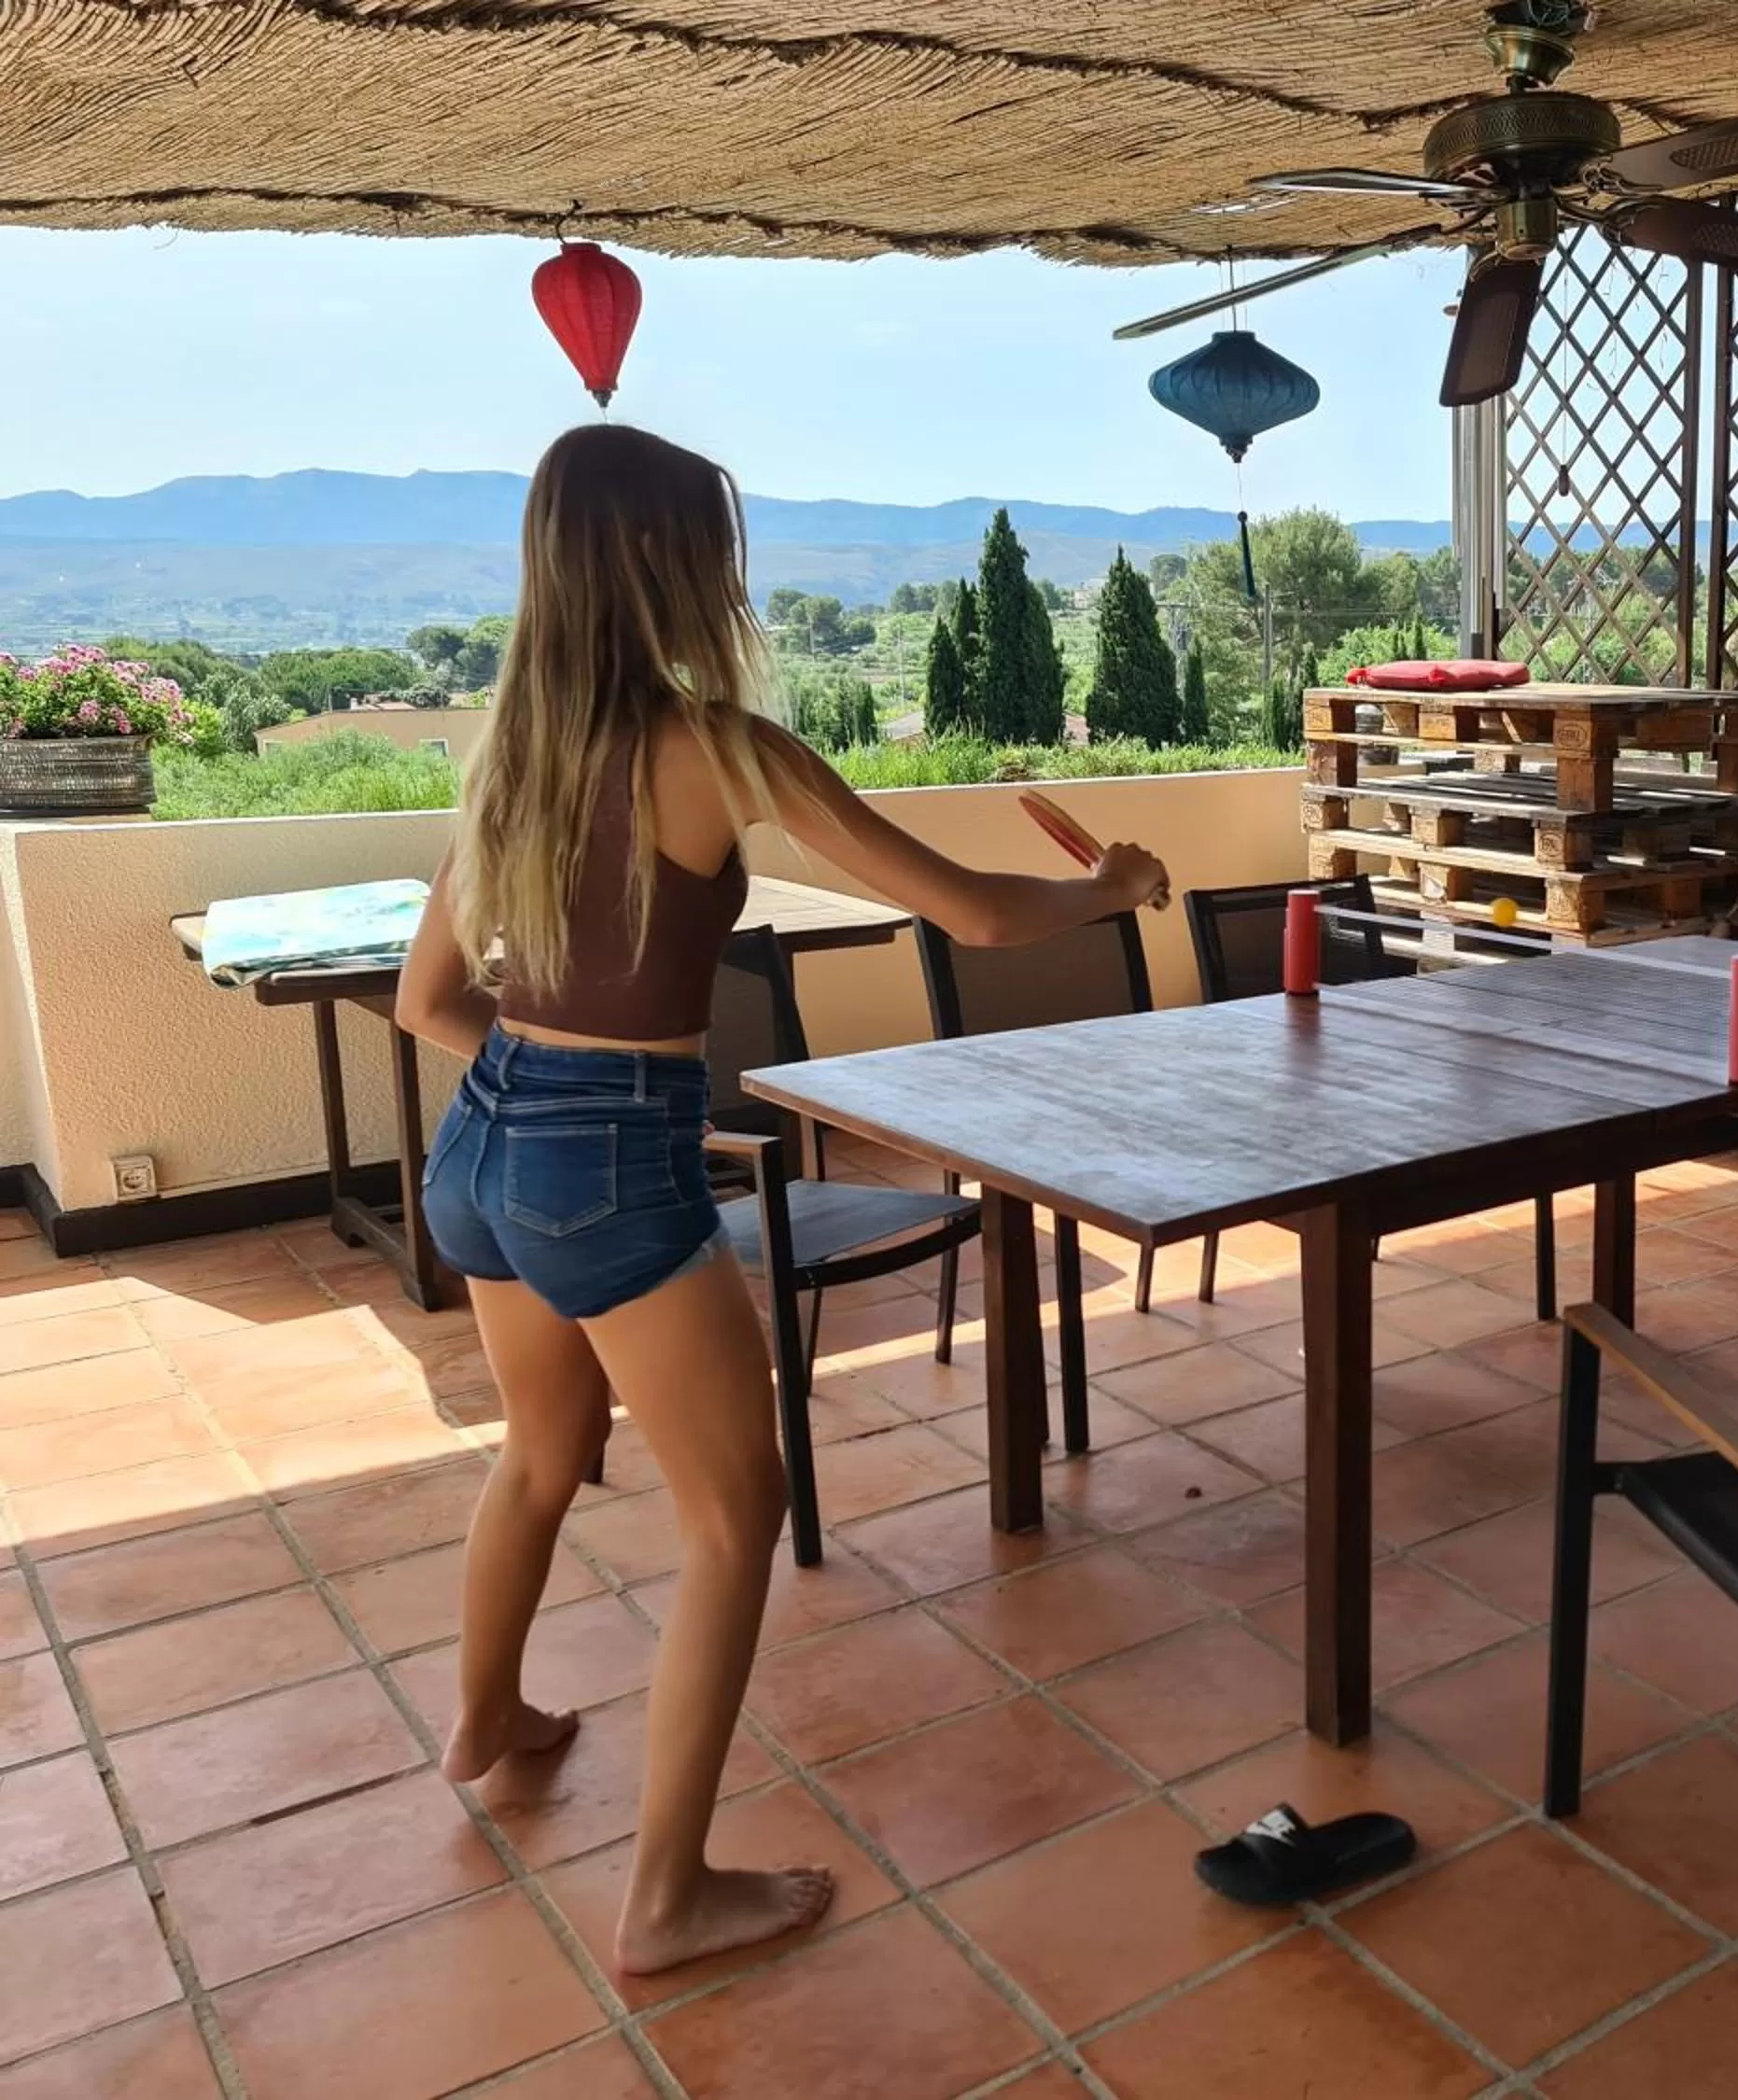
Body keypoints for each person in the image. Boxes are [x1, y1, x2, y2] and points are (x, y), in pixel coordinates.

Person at [394, 424, 1168, 1975]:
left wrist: (542, 1094)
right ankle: (666, 1898)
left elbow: (427, 1001)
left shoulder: (513, 755)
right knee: (739, 1515)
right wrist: (1113, 888)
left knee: (544, 1460)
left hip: (481, 1147)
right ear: (677, 570)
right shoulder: (720, 747)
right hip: (606, 1158)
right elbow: (975, 913)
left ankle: (486, 1723)